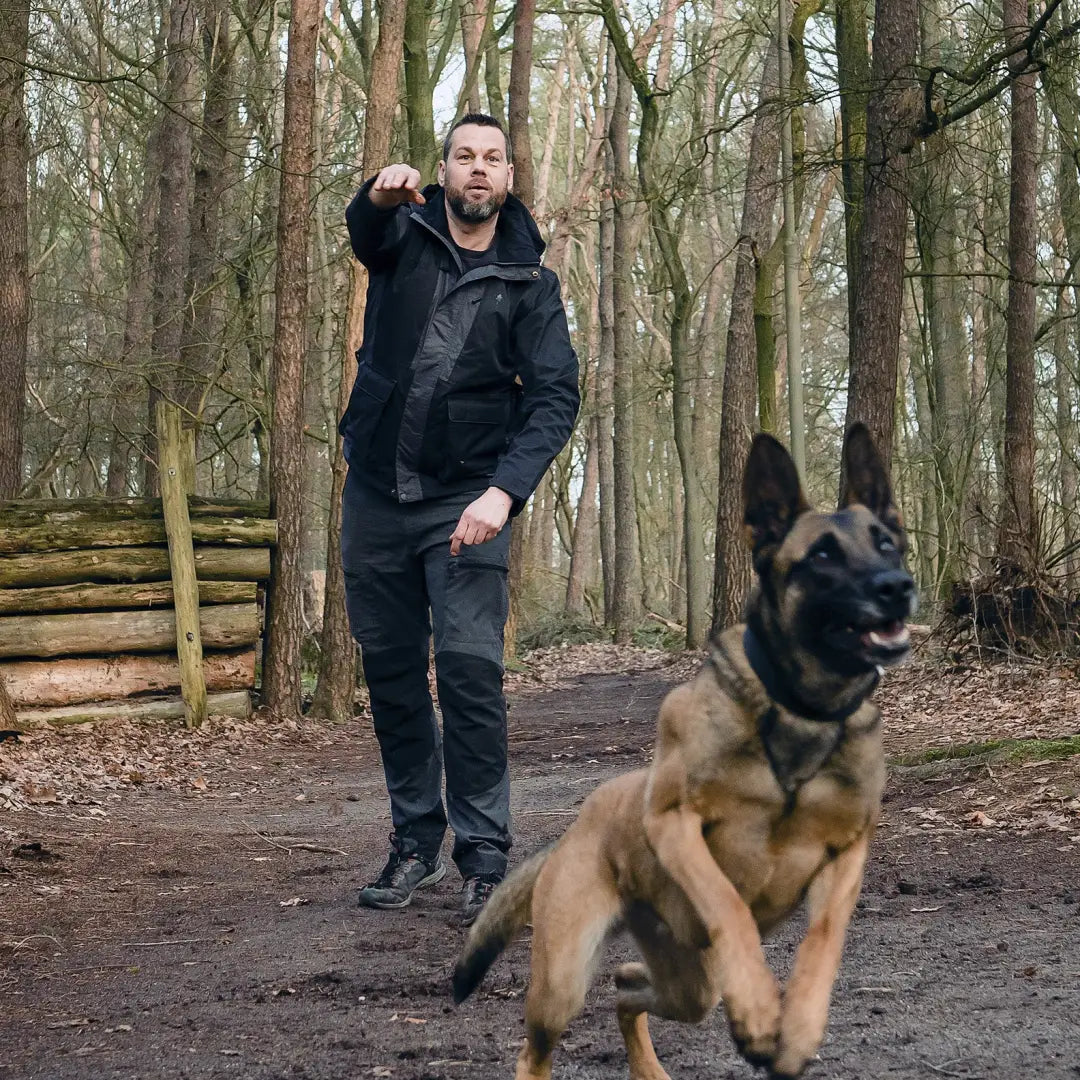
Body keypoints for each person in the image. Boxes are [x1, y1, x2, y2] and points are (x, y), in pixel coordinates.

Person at [340, 114, 580, 926]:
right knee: (394, 674)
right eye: (465, 157)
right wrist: (375, 196)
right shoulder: (401, 236)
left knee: (472, 671)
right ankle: (416, 845)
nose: (479, 170)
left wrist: (503, 493)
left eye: (494, 159)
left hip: (468, 502)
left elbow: (555, 400)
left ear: (510, 178)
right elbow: (363, 233)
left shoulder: (531, 287)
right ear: (443, 170)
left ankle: (484, 856)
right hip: (375, 494)